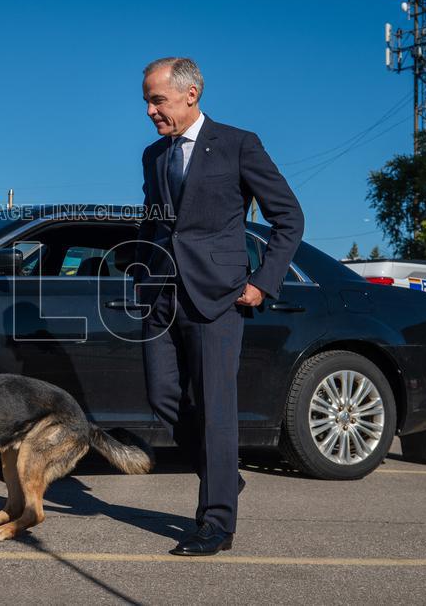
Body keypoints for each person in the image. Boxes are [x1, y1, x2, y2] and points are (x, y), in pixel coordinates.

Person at [134, 57, 303, 556]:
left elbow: (288, 217)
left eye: (157, 100)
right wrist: (140, 272)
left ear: (190, 94)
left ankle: (216, 522)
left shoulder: (238, 144)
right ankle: (223, 474)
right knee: (162, 396)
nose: (150, 111)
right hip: (162, 294)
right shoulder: (154, 155)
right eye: (146, 102)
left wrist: (263, 283)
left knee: (215, 408)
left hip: (218, 296)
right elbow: (154, 220)